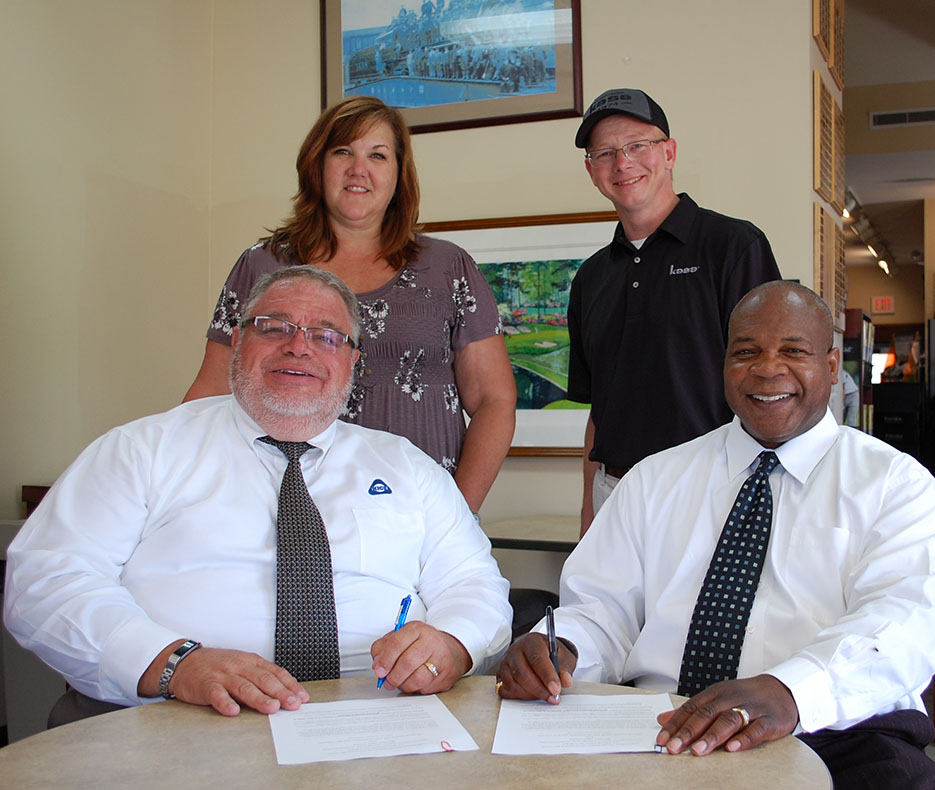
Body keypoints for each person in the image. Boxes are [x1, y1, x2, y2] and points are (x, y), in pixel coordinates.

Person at [497, 281, 935, 789]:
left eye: (793, 351)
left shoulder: (894, 484)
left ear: (830, 367)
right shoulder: (654, 478)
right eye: (746, 352)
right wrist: (561, 648)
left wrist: (789, 690)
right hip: (661, 723)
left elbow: (901, 625)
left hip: (831, 727)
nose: (767, 368)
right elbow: (603, 610)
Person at [5, 266, 512, 722]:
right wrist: (173, 665)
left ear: (353, 361)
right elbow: (46, 580)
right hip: (179, 717)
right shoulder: (141, 449)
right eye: (274, 327)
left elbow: (474, 584)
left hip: (375, 719)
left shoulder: (407, 465)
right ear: (237, 341)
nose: (299, 346)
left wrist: (451, 642)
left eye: (327, 336)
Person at [183, 95, 515, 514]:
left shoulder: (448, 267)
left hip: (417, 510)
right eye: (343, 151)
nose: (359, 169)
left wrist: (457, 513)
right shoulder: (263, 265)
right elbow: (211, 392)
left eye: (377, 155)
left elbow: (494, 401)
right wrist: (183, 490)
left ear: (398, 174)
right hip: (276, 506)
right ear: (317, 166)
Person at [568, 88, 781, 534]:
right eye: (604, 152)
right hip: (616, 494)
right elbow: (598, 412)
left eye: (637, 145)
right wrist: (589, 506)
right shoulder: (591, 278)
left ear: (669, 152)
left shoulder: (734, 247)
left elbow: (773, 384)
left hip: (712, 493)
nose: (622, 163)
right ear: (592, 170)